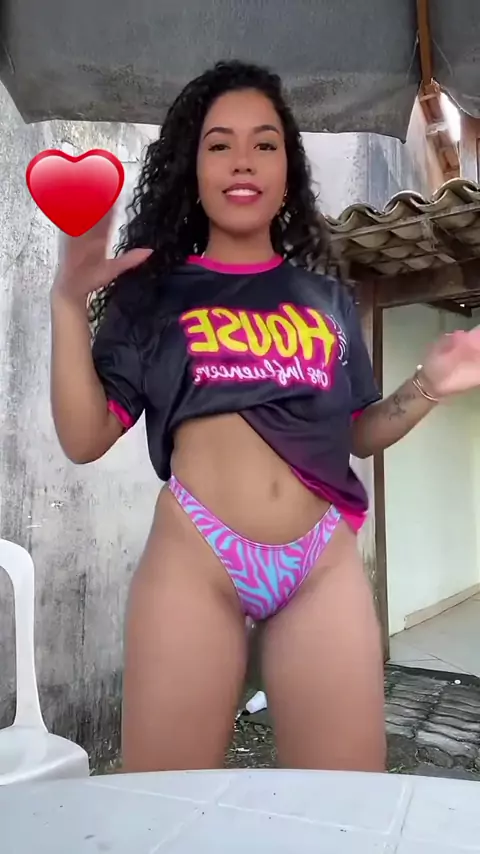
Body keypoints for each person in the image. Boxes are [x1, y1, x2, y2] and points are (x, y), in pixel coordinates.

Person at [50, 60, 480, 774]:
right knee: (164, 802)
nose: (243, 160)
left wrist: (427, 386)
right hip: (196, 558)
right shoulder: (152, 293)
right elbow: (84, 436)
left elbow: (355, 431)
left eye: (265, 143)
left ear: (288, 171)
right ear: (192, 168)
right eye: (219, 144)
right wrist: (68, 302)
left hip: (320, 564)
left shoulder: (327, 298)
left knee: (346, 804)